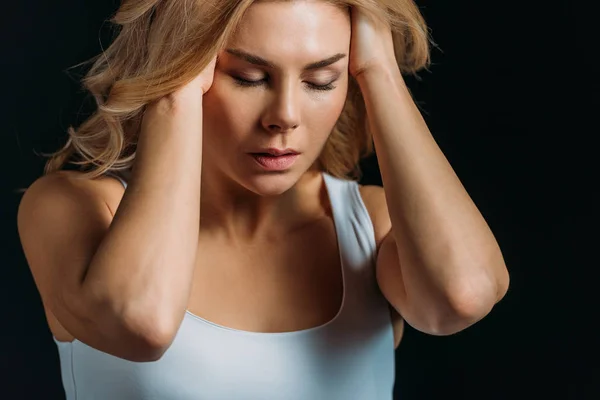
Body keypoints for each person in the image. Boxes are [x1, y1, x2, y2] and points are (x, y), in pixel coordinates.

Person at [17, 0, 510, 399]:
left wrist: (380, 69)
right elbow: (138, 322)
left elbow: (461, 296)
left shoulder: (370, 224)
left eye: (322, 81)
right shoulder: (74, 210)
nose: (286, 116)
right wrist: (171, 93)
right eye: (249, 78)